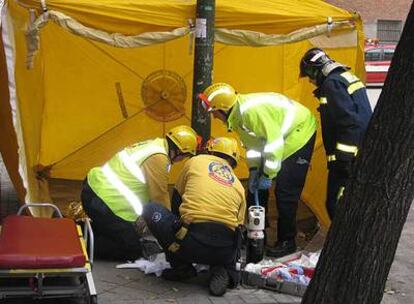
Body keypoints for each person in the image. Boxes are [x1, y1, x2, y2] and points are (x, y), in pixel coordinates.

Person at [199, 83, 317, 258]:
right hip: (277, 139)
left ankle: (287, 241)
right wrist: (254, 170)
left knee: (285, 191)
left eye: (213, 112)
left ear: (223, 108)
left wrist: (268, 174)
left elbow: (274, 144)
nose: (214, 117)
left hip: (299, 132)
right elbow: (254, 147)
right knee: (255, 191)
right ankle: (258, 233)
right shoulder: (237, 117)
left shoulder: (251, 113)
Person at [142, 137, 245, 296]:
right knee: (233, 233)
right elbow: (239, 226)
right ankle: (223, 269)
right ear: (234, 161)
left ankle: (182, 268)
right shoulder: (238, 185)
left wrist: (174, 234)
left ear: (208, 149)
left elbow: (177, 199)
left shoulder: (195, 161)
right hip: (224, 250)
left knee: (150, 209)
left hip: (190, 242)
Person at [80, 125, 198, 260]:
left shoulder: (155, 145)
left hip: (95, 189)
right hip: (105, 202)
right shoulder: (158, 158)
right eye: (183, 156)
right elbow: (159, 197)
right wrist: (170, 228)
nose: (180, 161)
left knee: (117, 233)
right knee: (131, 249)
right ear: (177, 151)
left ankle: (79, 231)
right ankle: (81, 245)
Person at [300, 48, 372, 219]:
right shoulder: (346, 77)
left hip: (347, 159)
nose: (310, 80)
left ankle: (344, 243)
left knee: (335, 204)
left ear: (318, 68)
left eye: (310, 73)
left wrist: (343, 159)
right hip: (360, 151)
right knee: (347, 204)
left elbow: (349, 122)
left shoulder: (331, 84)